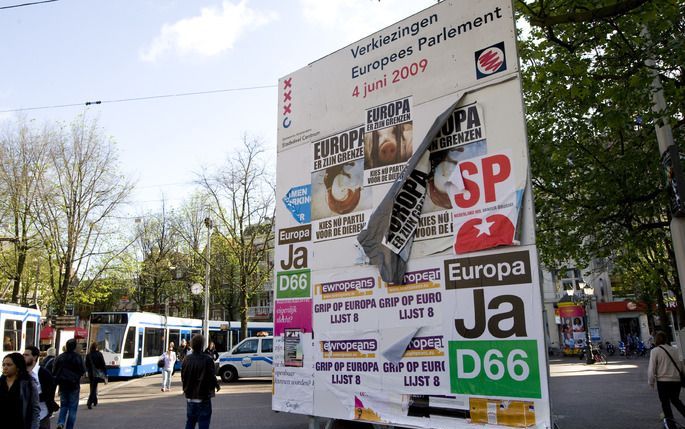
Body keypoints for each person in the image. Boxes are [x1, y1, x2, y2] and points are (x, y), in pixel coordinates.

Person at [648, 331, 685, 429]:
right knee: (676, 400)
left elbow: (652, 368)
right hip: (676, 380)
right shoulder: (675, 350)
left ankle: (671, 425)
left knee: (665, 403)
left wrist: (651, 382)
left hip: (663, 381)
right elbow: (681, 366)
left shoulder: (655, 351)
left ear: (656, 340)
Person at [182, 335, 220, 429]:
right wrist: (216, 385)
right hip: (203, 397)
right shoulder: (207, 359)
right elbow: (211, 376)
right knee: (204, 422)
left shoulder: (186, 359)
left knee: (190, 421)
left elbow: (183, 376)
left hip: (190, 396)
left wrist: (185, 389)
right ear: (202, 345)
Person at [0, 352, 40, 429]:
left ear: (18, 367)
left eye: (9, 365)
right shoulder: (1, 382)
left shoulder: (28, 384)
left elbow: (35, 410)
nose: (5, 367)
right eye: (3, 364)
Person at [52, 338, 85, 429]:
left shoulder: (60, 357)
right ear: (74, 347)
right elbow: (82, 370)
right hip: (74, 384)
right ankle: (69, 427)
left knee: (64, 406)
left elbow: (54, 371)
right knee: (73, 408)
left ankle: (61, 422)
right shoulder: (77, 357)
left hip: (63, 384)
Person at [24, 346, 59, 429]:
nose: (24, 357)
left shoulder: (44, 373)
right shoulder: (21, 372)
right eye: (23, 354)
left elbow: (49, 394)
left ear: (35, 357)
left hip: (42, 414)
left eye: (27, 355)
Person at [85, 342, 106, 409]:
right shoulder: (99, 354)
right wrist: (105, 373)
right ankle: (89, 402)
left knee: (92, 386)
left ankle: (95, 400)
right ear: (96, 347)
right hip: (97, 373)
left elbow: (86, 364)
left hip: (90, 373)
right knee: (94, 387)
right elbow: (103, 364)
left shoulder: (88, 355)